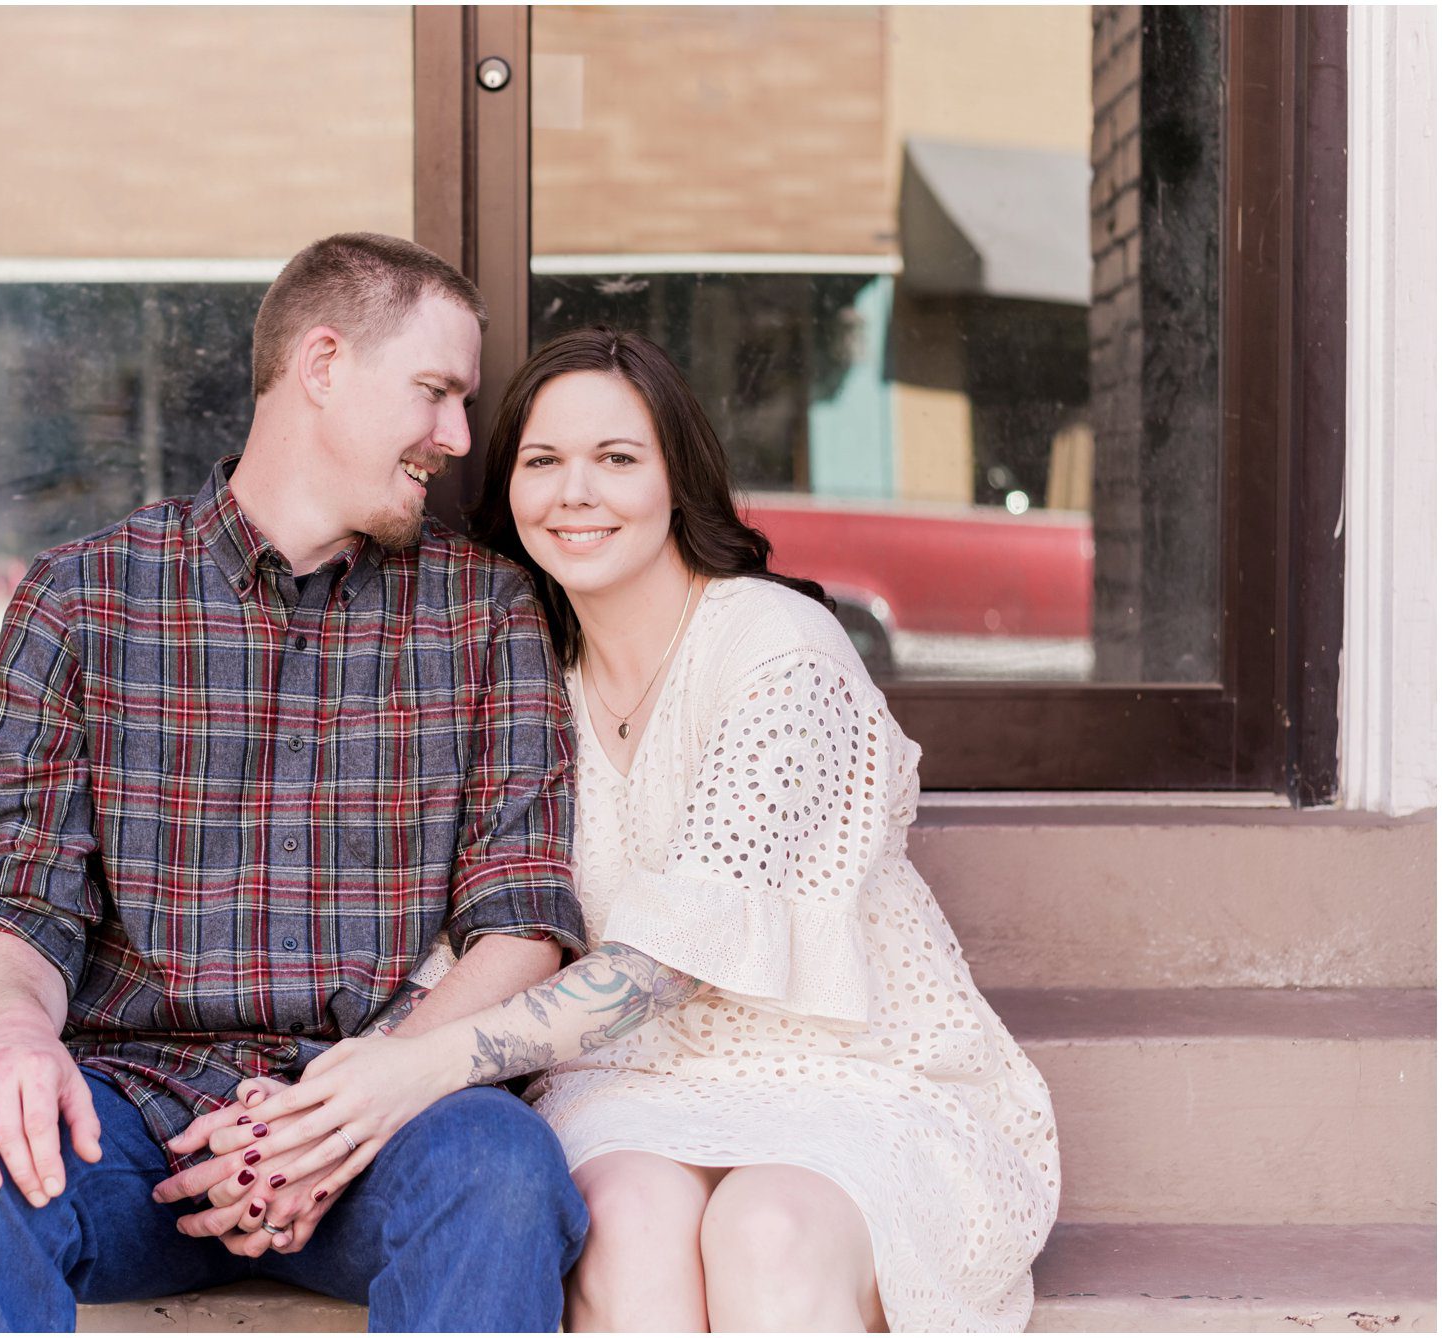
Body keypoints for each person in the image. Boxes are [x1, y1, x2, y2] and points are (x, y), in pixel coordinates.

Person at [155, 328, 1062, 1332]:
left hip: (845, 1076)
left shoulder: (775, 647)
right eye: (542, 463)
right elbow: (462, 937)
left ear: (679, 480)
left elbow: (668, 961)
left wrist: (418, 1069)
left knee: (769, 1230)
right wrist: (305, 1120)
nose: (573, 493)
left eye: (617, 460)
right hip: (625, 1087)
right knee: (624, 1222)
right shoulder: (519, 676)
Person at [0, 234, 591, 1332]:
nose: (456, 439)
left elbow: (520, 922)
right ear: (321, 365)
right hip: (127, 1125)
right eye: (435, 393)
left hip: (381, 1113)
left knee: (502, 1169)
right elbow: (17, 905)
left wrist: (341, 1108)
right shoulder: (83, 601)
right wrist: (10, 1038)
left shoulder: (485, 612)